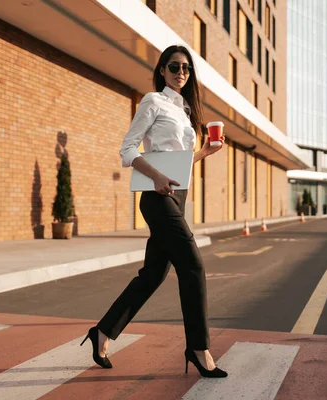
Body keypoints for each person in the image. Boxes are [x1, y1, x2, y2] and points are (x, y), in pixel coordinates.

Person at [80, 45, 227, 378]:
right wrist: (157, 176)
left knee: (154, 274)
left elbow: (178, 162)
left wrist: (204, 152)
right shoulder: (152, 101)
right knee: (192, 265)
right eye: (173, 66)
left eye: (186, 68)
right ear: (162, 70)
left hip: (177, 195)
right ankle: (198, 348)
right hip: (155, 195)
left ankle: (102, 331)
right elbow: (127, 149)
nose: (180, 72)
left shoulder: (187, 109)